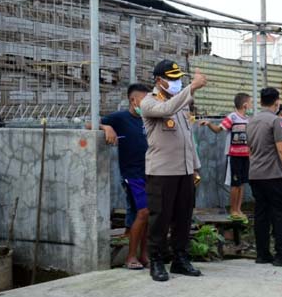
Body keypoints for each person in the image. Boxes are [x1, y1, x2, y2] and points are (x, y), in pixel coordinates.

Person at [140, 59, 207, 282]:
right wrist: (193, 87)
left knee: (183, 217)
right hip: (161, 172)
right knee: (160, 218)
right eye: (172, 79)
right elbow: (167, 108)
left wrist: (195, 167)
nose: (177, 82)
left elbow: (189, 138)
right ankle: (157, 262)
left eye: (179, 78)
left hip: (185, 171)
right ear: (159, 81)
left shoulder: (183, 104)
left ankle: (180, 259)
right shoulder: (149, 102)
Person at [93, 83, 152, 269]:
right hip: (132, 174)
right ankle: (130, 257)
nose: (148, 104)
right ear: (133, 100)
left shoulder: (149, 119)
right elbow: (90, 123)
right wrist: (105, 128)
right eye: (144, 100)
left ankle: (144, 255)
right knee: (142, 213)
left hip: (151, 172)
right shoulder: (120, 118)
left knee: (148, 215)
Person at [247, 87, 282, 268]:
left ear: (261, 101)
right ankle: (281, 255)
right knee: (281, 213)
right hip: (274, 175)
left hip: (255, 175)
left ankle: (262, 254)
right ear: (277, 101)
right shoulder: (275, 122)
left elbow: (250, 150)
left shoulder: (251, 121)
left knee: (261, 214)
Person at [199, 92, 253, 222]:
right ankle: (233, 209)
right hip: (234, 155)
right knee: (235, 183)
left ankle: (238, 209)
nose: (251, 105)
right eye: (250, 103)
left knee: (242, 183)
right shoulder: (232, 117)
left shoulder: (248, 119)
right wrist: (209, 123)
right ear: (245, 105)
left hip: (246, 156)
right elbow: (218, 129)